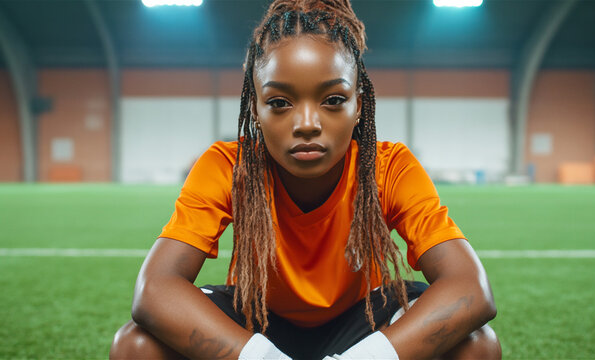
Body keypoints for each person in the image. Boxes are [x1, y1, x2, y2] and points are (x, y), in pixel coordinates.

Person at [110, 1, 501, 359]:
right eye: (280, 103)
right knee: (135, 345)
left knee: (477, 345)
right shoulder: (228, 166)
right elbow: (154, 290)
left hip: (363, 322)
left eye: (333, 100)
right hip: (257, 321)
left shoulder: (389, 166)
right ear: (256, 108)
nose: (308, 124)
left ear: (359, 106)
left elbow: (471, 288)